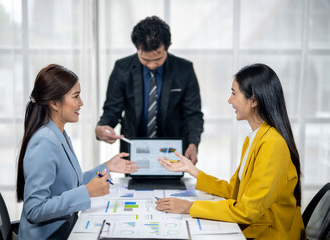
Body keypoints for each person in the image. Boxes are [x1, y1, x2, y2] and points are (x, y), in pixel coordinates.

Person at [155, 64, 304, 239]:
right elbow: (235, 192)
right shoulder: (255, 138)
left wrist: (188, 207)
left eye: (234, 93)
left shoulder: (272, 144)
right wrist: (192, 170)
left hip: (270, 234)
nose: (229, 100)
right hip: (256, 228)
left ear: (254, 100)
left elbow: (248, 210)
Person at [16, 64, 139, 239]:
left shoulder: (59, 133)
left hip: (66, 228)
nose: (81, 103)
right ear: (54, 103)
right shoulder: (44, 141)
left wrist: (108, 166)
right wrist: (87, 192)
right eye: (76, 96)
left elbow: (69, 183)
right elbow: (34, 210)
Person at [95, 16, 204, 164]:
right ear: (137, 49)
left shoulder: (184, 70)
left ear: (168, 46)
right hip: (133, 152)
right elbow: (112, 109)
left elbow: (193, 114)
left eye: (158, 59)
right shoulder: (122, 69)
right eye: (145, 59)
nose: (152, 65)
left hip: (173, 153)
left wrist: (193, 144)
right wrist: (102, 127)